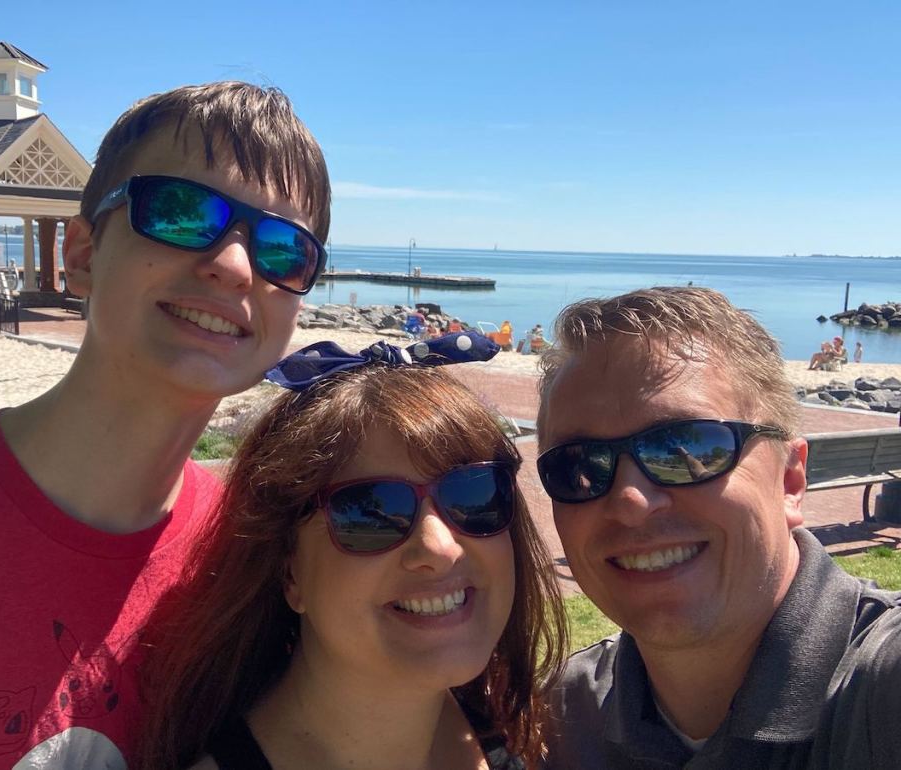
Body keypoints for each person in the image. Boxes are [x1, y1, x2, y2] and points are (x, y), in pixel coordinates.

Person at [0, 81, 330, 767]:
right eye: (181, 212)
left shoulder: (249, 566)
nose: (235, 266)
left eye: (283, 250)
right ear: (83, 255)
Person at [135, 333, 567, 770]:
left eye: (475, 495)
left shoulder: (524, 730)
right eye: (372, 513)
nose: (438, 547)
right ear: (289, 571)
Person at [536, 286, 901, 768]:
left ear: (790, 480)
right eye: (579, 466)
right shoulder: (560, 717)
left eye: (684, 448)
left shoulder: (880, 688)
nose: (630, 501)